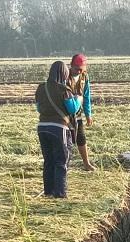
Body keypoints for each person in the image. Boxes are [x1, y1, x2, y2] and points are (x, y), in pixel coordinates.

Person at [35, 61, 82, 198]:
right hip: (59, 128)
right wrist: (78, 99)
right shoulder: (64, 90)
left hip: (42, 128)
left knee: (48, 160)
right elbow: (72, 109)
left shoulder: (41, 88)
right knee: (61, 161)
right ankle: (60, 193)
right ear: (64, 73)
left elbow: (38, 108)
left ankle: (48, 191)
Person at [67, 53, 96, 171]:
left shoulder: (85, 77)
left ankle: (86, 163)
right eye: (76, 69)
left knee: (81, 137)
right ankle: (64, 164)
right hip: (65, 114)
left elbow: (86, 96)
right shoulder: (64, 77)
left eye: (81, 70)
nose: (79, 72)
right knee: (66, 140)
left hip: (77, 113)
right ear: (71, 65)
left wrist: (88, 114)